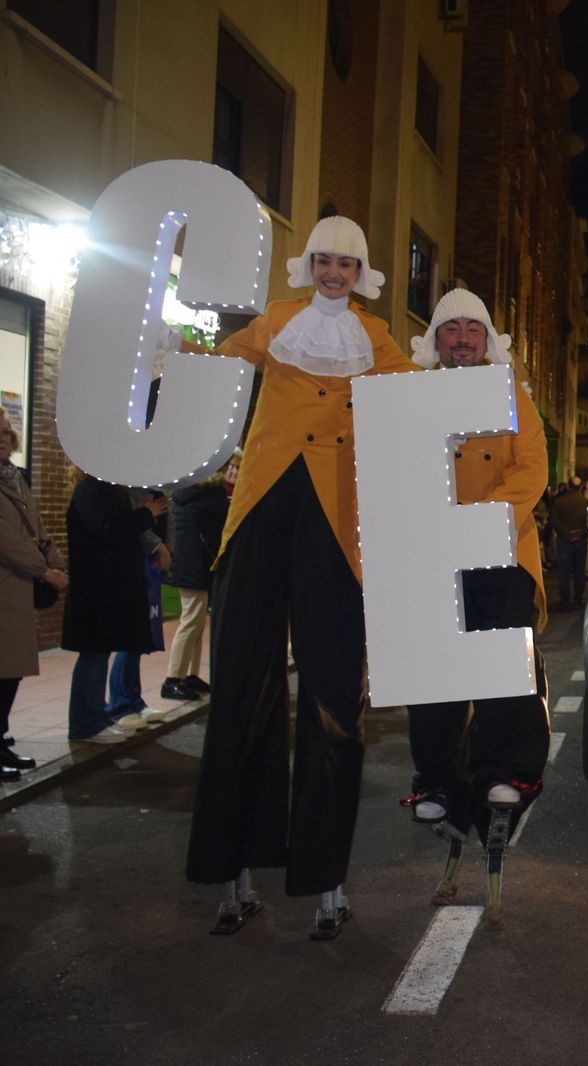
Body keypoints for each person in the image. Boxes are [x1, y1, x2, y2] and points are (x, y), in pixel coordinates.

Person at [184, 216, 414, 938]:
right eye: (324, 259)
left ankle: (326, 879)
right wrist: (174, 363)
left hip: (335, 524)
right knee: (242, 689)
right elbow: (217, 370)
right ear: (307, 263)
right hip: (260, 507)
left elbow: (415, 405)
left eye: (347, 262)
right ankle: (233, 866)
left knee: (331, 699)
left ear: (361, 271)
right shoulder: (276, 321)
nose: (334, 272)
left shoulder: (377, 340)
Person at [401, 288, 551, 839]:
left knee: (503, 665)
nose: (462, 338)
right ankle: (436, 780)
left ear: (487, 339)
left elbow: (532, 467)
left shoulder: (512, 394)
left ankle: (503, 770)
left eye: (472, 329)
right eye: (451, 328)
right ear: (436, 338)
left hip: (501, 547)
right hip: (433, 551)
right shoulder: (413, 394)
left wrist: (477, 519)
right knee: (434, 669)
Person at [61, 472, 168, 745]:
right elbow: (110, 529)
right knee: (93, 655)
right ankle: (87, 724)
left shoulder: (105, 489)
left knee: (99, 653)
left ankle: (96, 717)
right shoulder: (91, 490)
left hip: (105, 590)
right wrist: (145, 513)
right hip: (96, 591)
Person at [0, 414, 68, 778]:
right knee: (3, 670)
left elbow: (36, 526)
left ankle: (1, 739)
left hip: (18, 589)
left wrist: (53, 558)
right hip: (7, 585)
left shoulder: (15, 477)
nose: (3, 439)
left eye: (6, 432)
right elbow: (7, 542)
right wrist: (44, 571)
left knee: (11, 672)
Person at [161, 468, 229, 701]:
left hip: (185, 562)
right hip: (198, 564)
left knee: (196, 621)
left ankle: (189, 675)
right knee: (191, 621)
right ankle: (172, 679)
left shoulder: (182, 493)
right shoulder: (212, 494)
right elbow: (227, 519)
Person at [547, 476, 588, 609]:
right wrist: (579, 533)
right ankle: (578, 598)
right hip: (581, 541)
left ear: (568, 486)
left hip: (564, 541)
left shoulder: (558, 502)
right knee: (579, 570)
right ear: (581, 487)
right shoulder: (587, 502)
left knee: (564, 571)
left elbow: (554, 521)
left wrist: (566, 533)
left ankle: (565, 599)